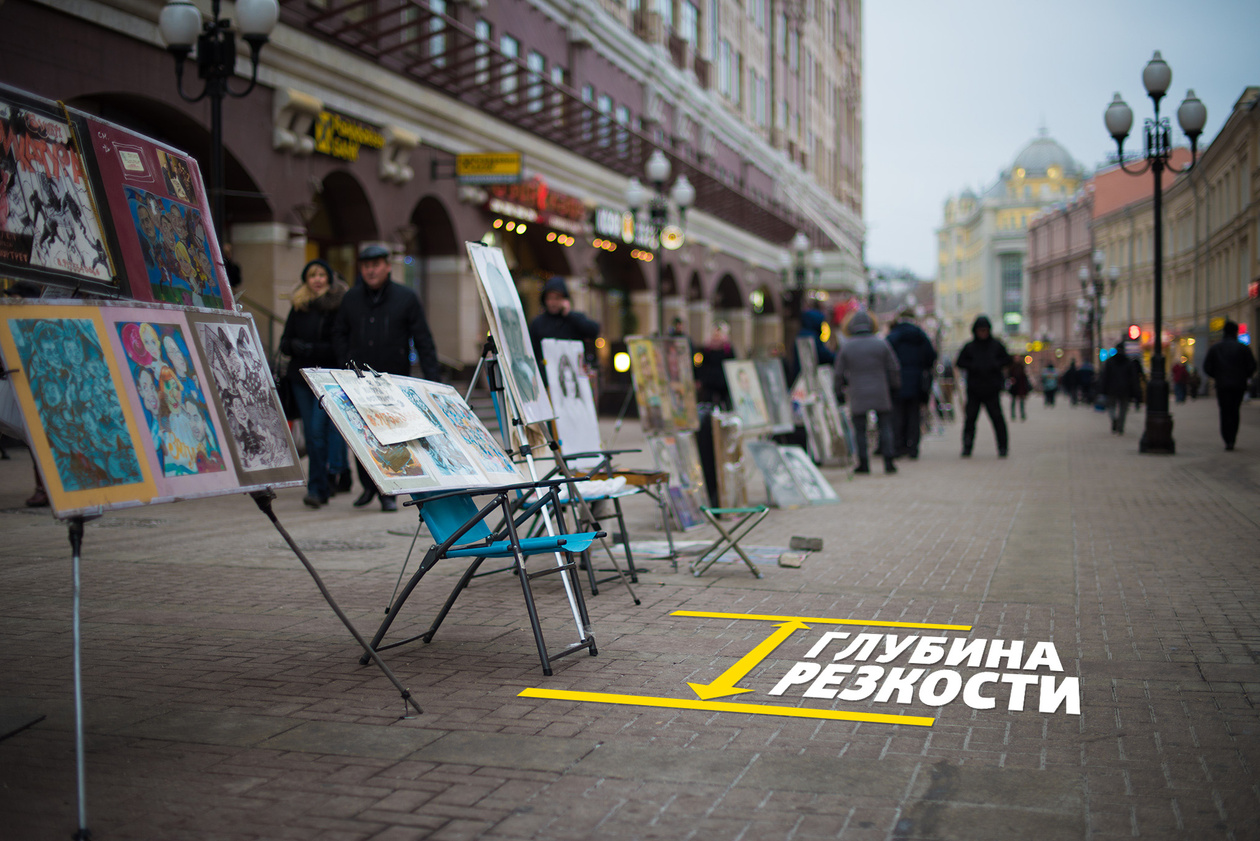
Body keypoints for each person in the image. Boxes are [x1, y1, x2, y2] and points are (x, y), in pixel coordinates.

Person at [333, 244, 441, 511]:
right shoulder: (351, 298)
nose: (371, 270)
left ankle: (389, 492)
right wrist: (345, 363)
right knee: (362, 434)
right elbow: (339, 333)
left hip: (392, 380)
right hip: (358, 380)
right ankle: (369, 487)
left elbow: (423, 341)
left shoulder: (406, 297)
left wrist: (433, 382)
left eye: (376, 264)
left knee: (392, 437)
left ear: (388, 266)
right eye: (366, 266)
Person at [281, 258, 349, 508]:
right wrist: (294, 346)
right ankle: (318, 486)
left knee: (320, 433)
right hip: (300, 379)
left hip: (327, 379)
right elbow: (285, 341)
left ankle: (320, 486)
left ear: (329, 279)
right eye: (312, 275)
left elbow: (338, 346)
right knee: (311, 434)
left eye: (322, 274)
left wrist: (312, 349)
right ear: (306, 280)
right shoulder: (299, 305)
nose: (317, 279)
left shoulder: (338, 306)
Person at [833, 311, 900, 474]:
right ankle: (889, 460)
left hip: (858, 392)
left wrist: (838, 392)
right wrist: (894, 387)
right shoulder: (881, 343)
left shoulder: (847, 346)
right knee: (885, 426)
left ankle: (863, 463)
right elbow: (894, 367)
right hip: (880, 391)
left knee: (860, 430)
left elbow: (838, 373)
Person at [955, 315, 1011, 458]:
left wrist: (995, 365)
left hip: (992, 389)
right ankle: (967, 447)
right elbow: (960, 362)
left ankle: (1003, 447)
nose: (983, 333)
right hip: (974, 390)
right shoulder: (970, 347)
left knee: (997, 419)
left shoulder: (996, 345)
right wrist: (973, 366)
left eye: (985, 330)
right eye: (980, 330)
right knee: (970, 420)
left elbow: (1007, 359)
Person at [886, 309, 937, 458]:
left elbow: (886, 357)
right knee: (914, 416)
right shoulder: (921, 335)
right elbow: (931, 357)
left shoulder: (893, 336)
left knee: (897, 415)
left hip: (897, 381)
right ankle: (913, 448)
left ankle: (898, 446)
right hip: (916, 381)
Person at [1202, 320, 1257, 451]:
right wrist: (1244, 376)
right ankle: (1232, 438)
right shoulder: (1243, 348)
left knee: (1225, 411)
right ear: (1235, 332)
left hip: (1222, 385)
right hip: (1238, 385)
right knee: (1234, 410)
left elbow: (1207, 367)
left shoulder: (1216, 348)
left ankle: (1227, 439)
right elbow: (1252, 366)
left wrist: (1217, 376)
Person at [528, 277, 600, 369]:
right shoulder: (538, 323)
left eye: (557, 298)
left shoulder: (574, 319)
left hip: (573, 373)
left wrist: (569, 314)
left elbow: (593, 331)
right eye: (549, 298)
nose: (553, 303)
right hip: (546, 373)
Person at [1098, 341, 1142, 435]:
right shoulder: (1128, 362)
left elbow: (1105, 377)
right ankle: (1120, 426)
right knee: (1123, 409)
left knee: (1111, 407)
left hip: (1111, 389)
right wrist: (1136, 392)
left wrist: (1102, 390)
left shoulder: (1110, 361)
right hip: (1125, 389)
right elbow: (1133, 378)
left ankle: (1114, 419)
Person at [695, 322, 735, 407]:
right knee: (708, 400)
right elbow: (701, 364)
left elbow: (732, 363)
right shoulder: (707, 348)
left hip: (723, 380)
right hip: (709, 379)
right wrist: (700, 378)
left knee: (724, 401)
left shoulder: (727, 349)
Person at [1007, 357, 1031, 421]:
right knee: (1013, 402)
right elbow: (1008, 376)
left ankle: (1022, 414)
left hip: (1020, 387)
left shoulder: (1021, 367)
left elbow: (1025, 379)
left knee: (1021, 402)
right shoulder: (1012, 367)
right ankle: (1013, 415)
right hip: (1014, 387)